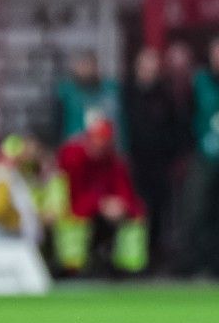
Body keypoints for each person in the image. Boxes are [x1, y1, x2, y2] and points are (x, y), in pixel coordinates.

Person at [174, 35, 219, 278]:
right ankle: (191, 264)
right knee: (196, 211)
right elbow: (184, 116)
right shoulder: (198, 82)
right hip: (202, 155)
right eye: (218, 53)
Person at [53, 112, 148, 276]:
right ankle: (72, 268)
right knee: (72, 221)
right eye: (97, 139)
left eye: (104, 140)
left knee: (137, 216)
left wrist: (121, 205)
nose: (100, 145)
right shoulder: (73, 157)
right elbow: (74, 196)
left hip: (105, 210)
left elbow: (125, 191)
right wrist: (100, 203)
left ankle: (129, 269)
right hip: (77, 208)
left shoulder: (115, 162)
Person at [122, 45, 188, 268]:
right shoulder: (127, 93)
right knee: (136, 212)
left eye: (153, 66)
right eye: (145, 65)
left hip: (160, 165)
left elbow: (177, 128)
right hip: (135, 164)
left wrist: (173, 156)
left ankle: (157, 259)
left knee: (161, 213)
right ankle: (133, 261)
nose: (149, 70)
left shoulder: (165, 95)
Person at [50, 50, 124, 149]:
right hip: (76, 149)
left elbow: (121, 121)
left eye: (89, 65)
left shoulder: (110, 90)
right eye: (83, 65)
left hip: (105, 149)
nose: (87, 69)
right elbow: (58, 124)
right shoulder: (67, 92)